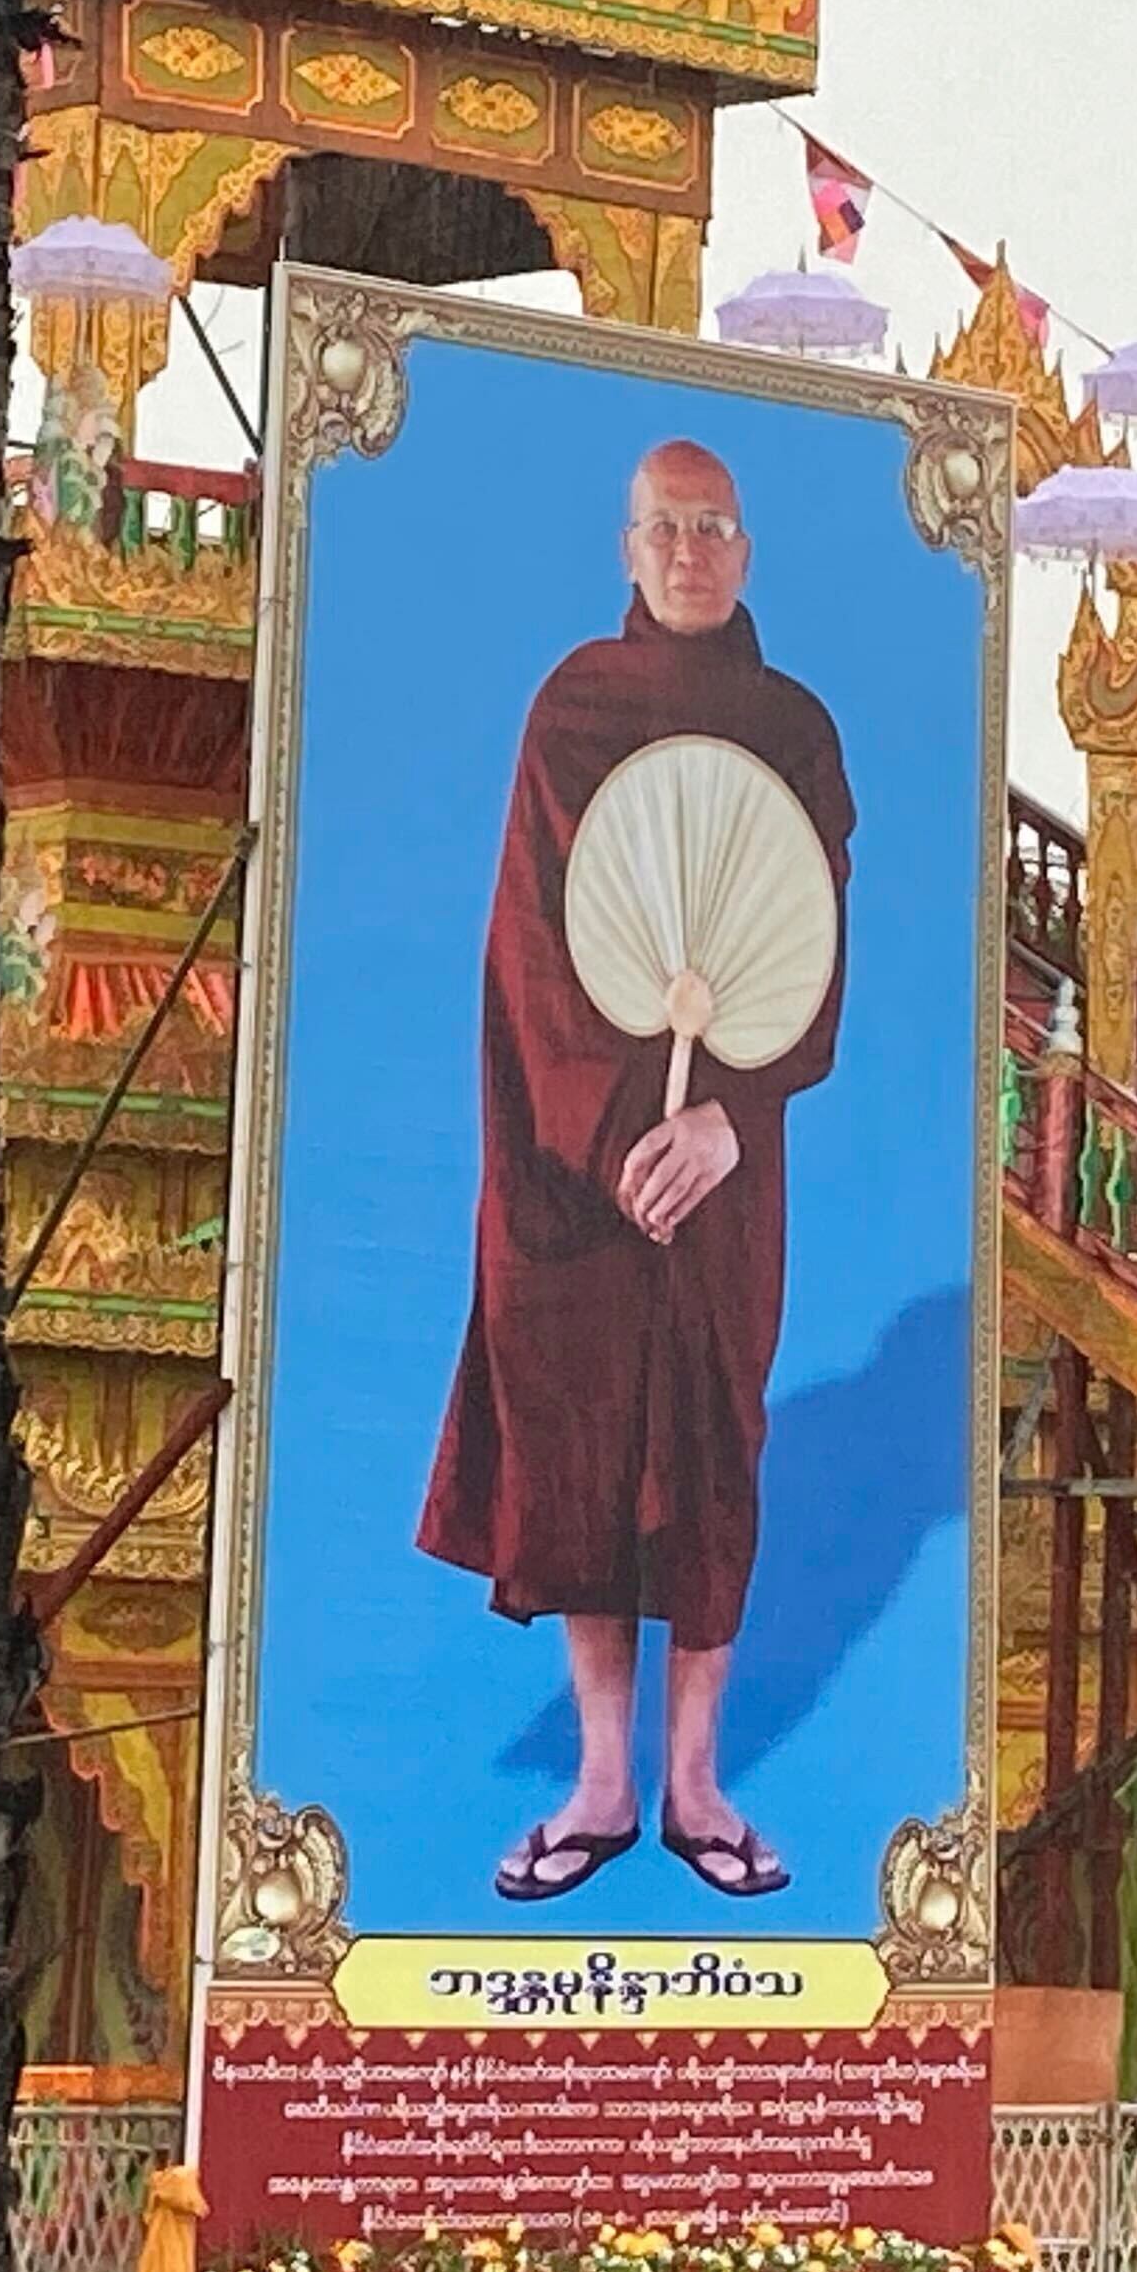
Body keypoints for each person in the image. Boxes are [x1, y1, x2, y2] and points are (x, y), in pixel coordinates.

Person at [418, 438, 854, 1907]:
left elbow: (808, 948)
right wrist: (614, 1139)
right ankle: (605, 1779)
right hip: (572, 1153)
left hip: (725, 1164)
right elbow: (532, 952)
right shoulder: (574, 709)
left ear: (747, 550)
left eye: (715, 527)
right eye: (665, 528)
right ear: (627, 547)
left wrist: (724, 1119)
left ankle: (696, 1780)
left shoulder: (796, 731)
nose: (689, 552)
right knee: (587, 1437)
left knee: (717, 1435)